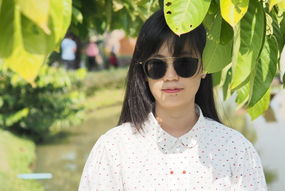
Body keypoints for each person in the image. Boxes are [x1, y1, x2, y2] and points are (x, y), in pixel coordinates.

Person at [78, 10, 267, 190]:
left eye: (184, 63)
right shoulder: (114, 148)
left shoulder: (235, 149)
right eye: (157, 66)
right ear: (144, 73)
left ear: (203, 68)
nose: (170, 76)